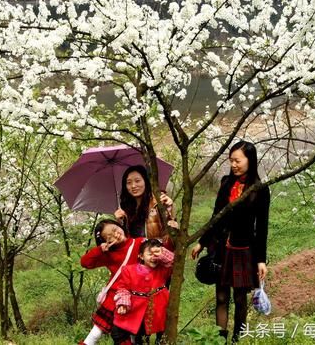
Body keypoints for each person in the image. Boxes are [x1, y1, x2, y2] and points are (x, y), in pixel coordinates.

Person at [191, 141, 270, 344]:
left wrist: (261, 259)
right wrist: (202, 242)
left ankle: (238, 338)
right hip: (222, 248)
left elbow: (261, 226)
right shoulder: (226, 182)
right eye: (231, 160)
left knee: (240, 299)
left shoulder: (259, 189)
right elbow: (216, 215)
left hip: (244, 249)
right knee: (221, 297)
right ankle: (220, 339)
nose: (233, 164)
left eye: (237, 160)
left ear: (250, 160)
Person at [79, 219, 145, 345]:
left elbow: (157, 250)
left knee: (129, 332)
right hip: (113, 297)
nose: (116, 234)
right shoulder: (109, 254)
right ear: (105, 241)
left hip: (136, 296)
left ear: (120, 225)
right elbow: (85, 263)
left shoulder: (139, 243)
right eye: (109, 236)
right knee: (97, 330)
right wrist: (100, 250)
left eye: (115, 229)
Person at [111, 239, 174, 345]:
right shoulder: (128, 270)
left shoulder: (163, 269)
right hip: (134, 307)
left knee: (143, 336)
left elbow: (172, 260)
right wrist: (123, 302)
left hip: (154, 308)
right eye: (150, 254)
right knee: (117, 333)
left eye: (156, 254)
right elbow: (123, 287)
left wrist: (161, 252)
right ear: (140, 256)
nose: (153, 257)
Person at [114, 165, 178, 241]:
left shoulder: (159, 201)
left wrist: (169, 208)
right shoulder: (125, 208)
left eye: (137, 181)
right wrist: (119, 222)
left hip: (155, 250)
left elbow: (172, 229)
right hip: (136, 251)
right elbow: (125, 240)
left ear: (145, 181)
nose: (133, 186)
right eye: (129, 182)